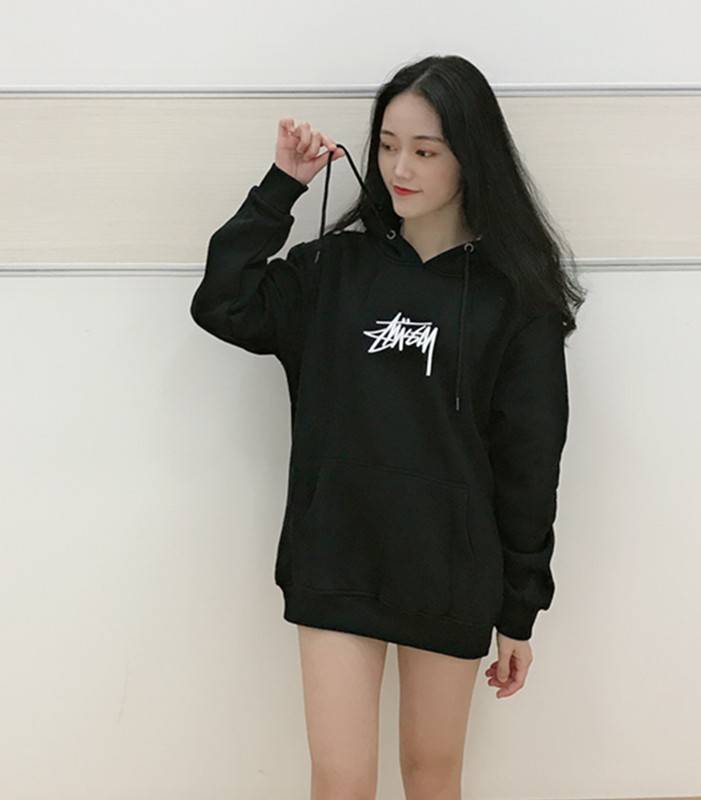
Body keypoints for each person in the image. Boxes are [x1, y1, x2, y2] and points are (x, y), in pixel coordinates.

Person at [190, 54, 586, 800]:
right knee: (340, 781)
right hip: (338, 553)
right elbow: (223, 301)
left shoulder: (514, 298)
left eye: (426, 151)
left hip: (450, 567)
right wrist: (282, 185)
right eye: (387, 145)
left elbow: (531, 462)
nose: (400, 168)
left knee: (432, 776)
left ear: (471, 158)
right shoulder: (333, 269)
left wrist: (520, 609)